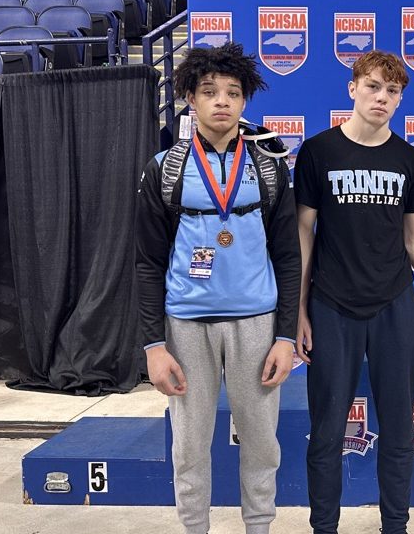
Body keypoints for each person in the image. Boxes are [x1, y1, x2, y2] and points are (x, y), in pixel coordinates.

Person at [294, 50, 414, 534]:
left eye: (393, 90)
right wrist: (297, 311)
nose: (382, 97)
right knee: (327, 431)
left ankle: (395, 527)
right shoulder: (318, 152)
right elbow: (303, 234)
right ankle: (323, 528)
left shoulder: (409, 159)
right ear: (352, 88)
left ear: (400, 99)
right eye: (373, 86)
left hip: (393, 306)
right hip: (332, 305)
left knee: (399, 430)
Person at [136, 42, 300, 534]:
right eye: (209, 91)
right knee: (189, 445)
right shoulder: (164, 168)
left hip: (257, 325)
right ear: (190, 98)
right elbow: (147, 263)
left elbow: (288, 258)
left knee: (262, 442)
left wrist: (285, 337)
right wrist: (153, 345)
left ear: (245, 100)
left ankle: (260, 527)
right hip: (186, 325)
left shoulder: (269, 166)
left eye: (232, 92)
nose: (222, 101)